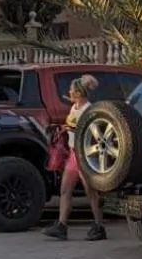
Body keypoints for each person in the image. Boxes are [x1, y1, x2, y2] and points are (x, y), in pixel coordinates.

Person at [42, 75, 106, 242]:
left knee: (91, 191)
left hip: (84, 155)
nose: (69, 92)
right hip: (73, 154)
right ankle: (62, 225)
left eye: (71, 89)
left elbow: (89, 130)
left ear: (79, 92)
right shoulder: (75, 107)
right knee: (65, 190)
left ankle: (99, 225)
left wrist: (70, 128)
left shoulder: (88, 110)